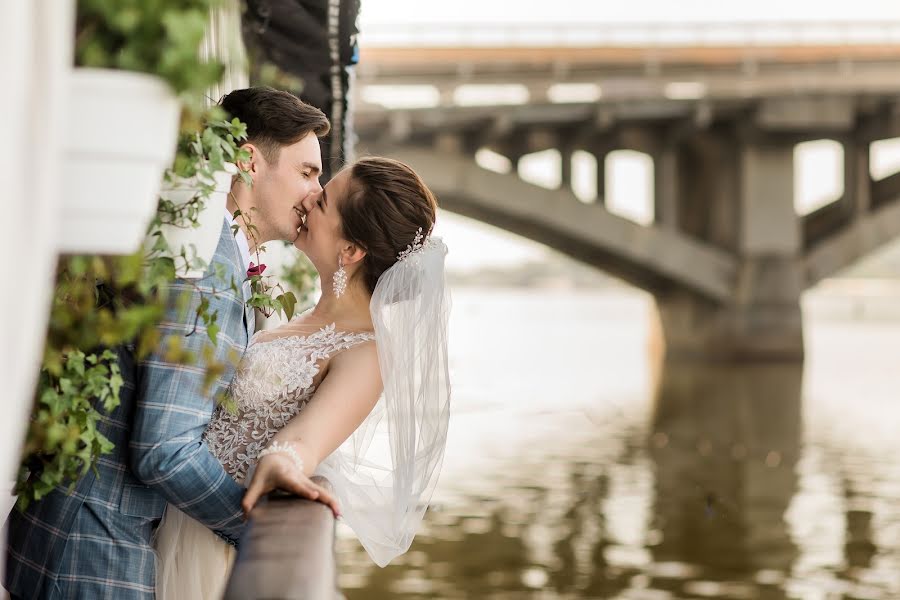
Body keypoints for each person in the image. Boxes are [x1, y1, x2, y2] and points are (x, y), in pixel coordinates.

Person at [3, 87, 330, 600]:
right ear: (247, 162)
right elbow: (163, 449)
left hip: (81, 526)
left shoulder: (199, 245)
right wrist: (251, 526)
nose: (316, 192)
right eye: (307, 172)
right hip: (97, 543)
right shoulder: (208, 269)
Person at [153, 156, 452, 599]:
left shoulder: (365, 353)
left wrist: (284, 462)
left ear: (350, 251)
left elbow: (305, 441)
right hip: (169, 509)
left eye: (325, 199)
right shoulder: (302, 319)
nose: (310, 197)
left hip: (206, 542)